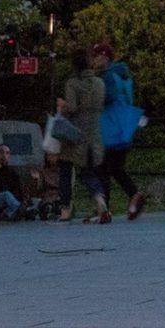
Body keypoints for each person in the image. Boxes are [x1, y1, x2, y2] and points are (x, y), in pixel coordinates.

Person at [95, 41, 148, 221]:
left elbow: (108, 97)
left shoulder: (108, 76)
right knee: (116, 168)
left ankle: (105, 210)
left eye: (96, 56)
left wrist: (95, 98)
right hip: (124, 126)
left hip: (110, 128)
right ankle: (133, 195)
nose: (93, 60)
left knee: (103, 168)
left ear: (104, 57)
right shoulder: (123, 75)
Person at [57, 47, 111, 224]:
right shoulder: (99, 83)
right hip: (94, 132)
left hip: (74, 133)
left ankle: (65, 209)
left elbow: (71, 107)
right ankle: (99, 196)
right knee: (87, 171)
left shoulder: (72, 83)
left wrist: (62, 106)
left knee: (65, 168)